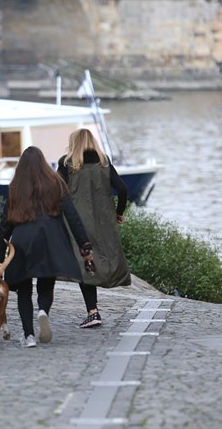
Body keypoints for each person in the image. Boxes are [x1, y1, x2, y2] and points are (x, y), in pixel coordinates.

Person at [0, 146, 93, 348]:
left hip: (22, 241)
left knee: (24, 288)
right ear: (44, 163)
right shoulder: (56, 183)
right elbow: (73, 217)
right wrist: (85, 245)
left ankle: (28, 336)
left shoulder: (15, 188)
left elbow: (5, 224)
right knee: (46, 282)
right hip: (50, 239)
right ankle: (43, 311)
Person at [57, 128, 131, 329]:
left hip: (76, 222)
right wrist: (118, 212)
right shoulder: (104, 162)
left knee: (85, 265)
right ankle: (94, 309)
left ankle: (93, 311)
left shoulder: (67, 163)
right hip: (103, 221)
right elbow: (123, 189)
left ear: (74, 143)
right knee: (104, 259)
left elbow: (57, 191)